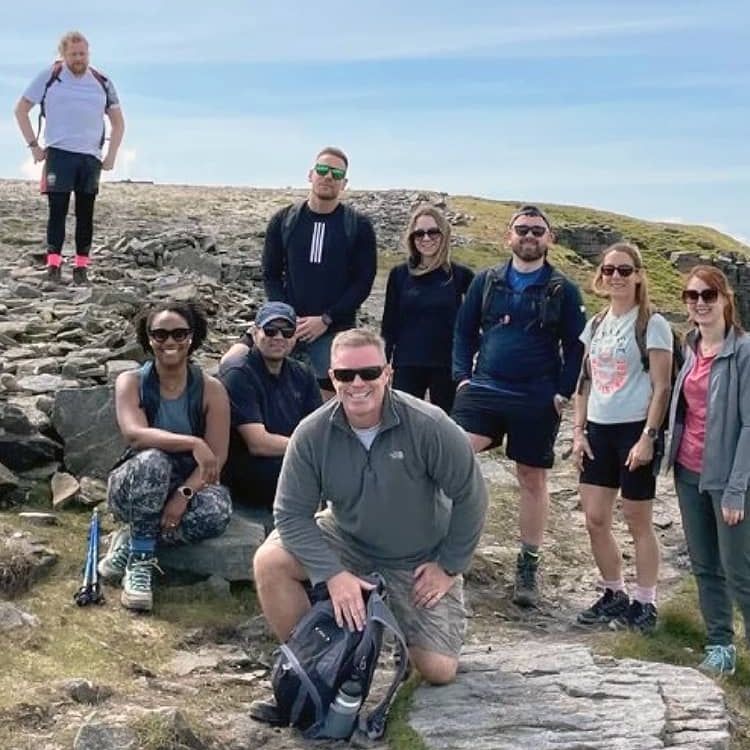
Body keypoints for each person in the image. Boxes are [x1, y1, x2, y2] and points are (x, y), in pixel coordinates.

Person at [251, 328, 487, 722]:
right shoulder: (311, 434)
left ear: (388, 373)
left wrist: (448, 565)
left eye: (368, 372)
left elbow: (471, 495)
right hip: (346, 538)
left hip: (417, 558)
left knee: (438, 670)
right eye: (345, 375)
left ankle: (395, 638)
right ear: (332, 377)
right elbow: (290, 513)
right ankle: (310, 674)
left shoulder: (429, 424)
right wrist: (332, 574)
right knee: (269, 562)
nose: (357, 384)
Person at [452, 204, 586, 607]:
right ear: (508, 236)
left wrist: (562, 391)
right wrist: (462, 378)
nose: (529, 236)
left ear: (550, 239)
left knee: (532, 478)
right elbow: (463, 331)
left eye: (537, 231)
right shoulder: (486, 281)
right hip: (485, 388)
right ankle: (446, 550)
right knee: (451, 455)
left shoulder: (564, 289)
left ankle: (527, 564)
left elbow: (578, 347)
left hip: (536, 395)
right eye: (522, 229)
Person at [99, 301, 232, 612]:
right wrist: (192, 443)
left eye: (179, 334)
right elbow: (135, 434)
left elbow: (218, 458)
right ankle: (141, 563)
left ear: (192, 337)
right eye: (159, 335)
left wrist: (184, 495)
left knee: (218, 512)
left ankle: (133, 543)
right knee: (153, 459)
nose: (169, 342)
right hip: (135, 483)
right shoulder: (130, 382)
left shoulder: (211, 390)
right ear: (148, 339)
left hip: (187, 482)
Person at [572, 243, 673, 633]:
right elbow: (583, 381)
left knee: (637, 520)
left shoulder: (652, 323)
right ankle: (614, 593)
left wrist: (648, 436)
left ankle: (645, 602)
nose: (616, 276)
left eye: (625, 270)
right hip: (598, 428)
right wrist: (578, 433)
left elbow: (662, 387)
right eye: (609, 269)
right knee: (596, 520)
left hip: (635, 429)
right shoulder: (595, 324)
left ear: (638, 275)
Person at [666, 265, 750, 676]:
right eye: (691, 296)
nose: (699, 303)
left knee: (740, 570)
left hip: (731, 478)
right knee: (704, 565)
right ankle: (720, 647)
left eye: (708, 295)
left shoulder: (745, 351)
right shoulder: (690, 345)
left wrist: (737, 490)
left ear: (725, 299)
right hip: (688, 471)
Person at [247, 146, 376, 399]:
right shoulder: (284, 220)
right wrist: (287, 319)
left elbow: (363, 282)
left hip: (334, 330)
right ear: (310, 174)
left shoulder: (358, 226)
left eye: (336, 174)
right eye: (322, 170)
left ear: (344, 183)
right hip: (284, 326)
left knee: (327, 403)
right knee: (238, 365)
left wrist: (326, 319)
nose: (328, 177)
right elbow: (271, 274)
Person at [14, 30, 125, 286]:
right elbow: (21, 110)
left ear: (89, 53)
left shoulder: (102, 81)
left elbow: (119, 122)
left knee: (86, 214)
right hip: (59, 154)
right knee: (58, 212)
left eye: (83, 54)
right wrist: (33, 146)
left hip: (90, 157)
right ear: (63, 54)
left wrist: (111, 156)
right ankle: (53, 266)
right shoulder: (50, 76)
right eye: (73, 54)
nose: (79, 59)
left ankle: (81, 268)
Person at [219, 301, 322, 529]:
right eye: (270, 330)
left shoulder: (302, 373)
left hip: (290, 459)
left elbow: (317, 428)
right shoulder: (238, 375)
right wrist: (312, 449)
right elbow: (258, 443)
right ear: (255, 333)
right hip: (251, 472)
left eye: (286, 331)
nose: (278, 337)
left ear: (295, 337)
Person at [380, 204, 474, 413]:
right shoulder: (399, 275)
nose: (426, 238)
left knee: (448, 428)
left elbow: (480, 319)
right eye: (419, 233)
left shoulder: (461, 276)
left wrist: (470, 356)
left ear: (444, 234)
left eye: (433, 232)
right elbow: (389, 325)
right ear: (411, 238)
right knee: (405, 423)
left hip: (447, 366)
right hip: (407, 364)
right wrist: (383, 364)